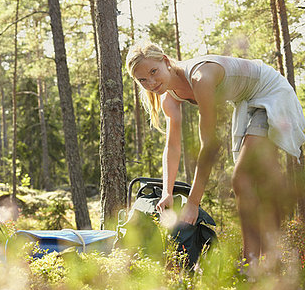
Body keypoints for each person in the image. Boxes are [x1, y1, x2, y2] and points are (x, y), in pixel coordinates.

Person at [126, 42, 305, 265]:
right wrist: (167, 192)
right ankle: (256, 263)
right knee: (246, 181)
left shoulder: (201, 78)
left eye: (153, 72)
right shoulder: (169, 99)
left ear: (164, 60)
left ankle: (254, 263)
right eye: (142, 80)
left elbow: (210, 145)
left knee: (241, 178)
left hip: (271, 93)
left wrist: (193, 203)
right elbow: (172, 148)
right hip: (247, 103)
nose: (150, 83)